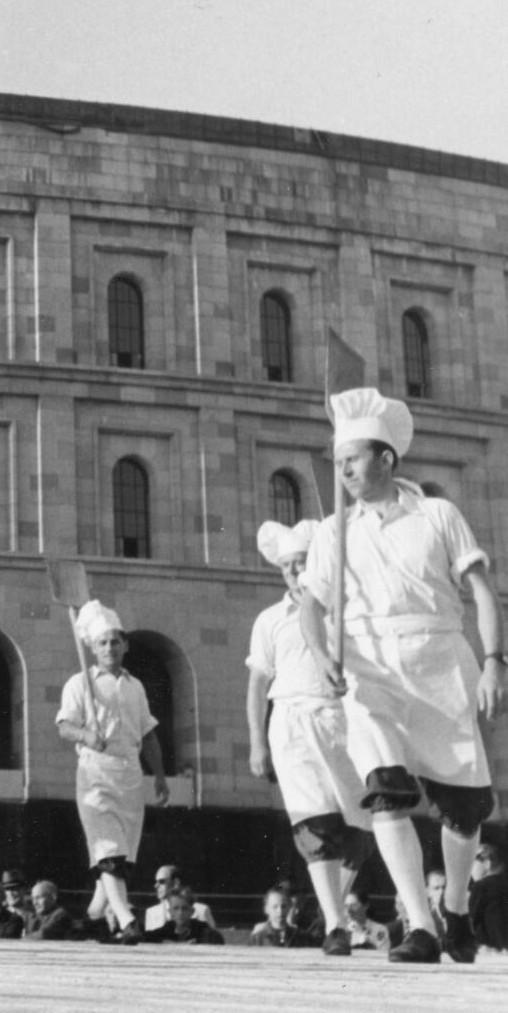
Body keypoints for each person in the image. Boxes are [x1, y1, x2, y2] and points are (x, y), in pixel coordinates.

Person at [299, 387, 505, 965]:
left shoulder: (438, 514)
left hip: (440, 663)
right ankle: (421, 925)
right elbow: (311, 607)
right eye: (338, 463)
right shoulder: (332, 531)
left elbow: (482, 591)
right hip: (368, 672)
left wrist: (494, 660)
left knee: (465, 808)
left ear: (386, 458)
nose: (344, 472)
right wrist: (322, 655)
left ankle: (455, 908)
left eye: (353, 460)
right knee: (385, 792)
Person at [247, 518, 375, 956]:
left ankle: (330, 908)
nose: (294, 571)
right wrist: (257, 742)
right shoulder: (270, 620)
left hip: (344, 722)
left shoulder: (347, 610)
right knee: (313, 822)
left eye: (301, 562)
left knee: (359, 826)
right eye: (287, 565)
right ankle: (336, 926)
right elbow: (257, 686)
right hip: (292, 723)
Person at [56, 600, 170, 945]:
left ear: (125, 645)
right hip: (95, 773)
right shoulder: (79, 683)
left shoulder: (136, 687)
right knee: (108, 850)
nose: (109, 648)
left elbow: (148, 734)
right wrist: (86, 735)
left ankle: (91, 919)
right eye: (102, 642)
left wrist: (160, 775)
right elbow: (64, 725)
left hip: (130, 774)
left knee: (121, 855)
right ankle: (127, 919)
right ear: (92, 647)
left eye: (115, 641)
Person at [141, 865, 217, 931]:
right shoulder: (151, 912)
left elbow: (213, 939)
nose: (156, 886)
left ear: (176, 882)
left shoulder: (202, 910)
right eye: (156, 882)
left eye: (162, 881)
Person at [143, 888, 225, 945]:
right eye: (176, 908)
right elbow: (148, 937)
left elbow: (215, 939)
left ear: (192, 911)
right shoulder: (168, 928)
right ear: (170, 912)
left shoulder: (202, 929)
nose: (180, 913)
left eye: (184, 909)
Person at [468, 842, 507, 954]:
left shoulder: (482, 886)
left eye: (471, 863)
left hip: (491, 951)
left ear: (487, 863)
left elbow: (470, 921)